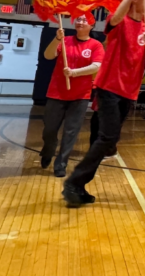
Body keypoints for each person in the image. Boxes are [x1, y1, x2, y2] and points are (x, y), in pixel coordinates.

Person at [62, 0, 145, 207]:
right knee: (108, 138)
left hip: (129, 92)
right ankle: (74, 183)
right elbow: (114, 19)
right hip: (109, 88)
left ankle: (78, 185)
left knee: (105, 140)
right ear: (135, 0)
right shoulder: (121, 21)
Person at [40, 15, 104, 177]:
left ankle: (61, 164)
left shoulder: (95, 45)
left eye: (85, 20)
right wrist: (57, 39)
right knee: (49, 129)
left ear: (92, 25)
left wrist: (74, 73)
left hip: (80, 95)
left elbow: (97, 66)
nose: (80, 22)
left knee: (71, 132)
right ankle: (48, 150)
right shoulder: (65, 40)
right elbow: (48, 55)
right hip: (57, 92)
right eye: (78, 19)